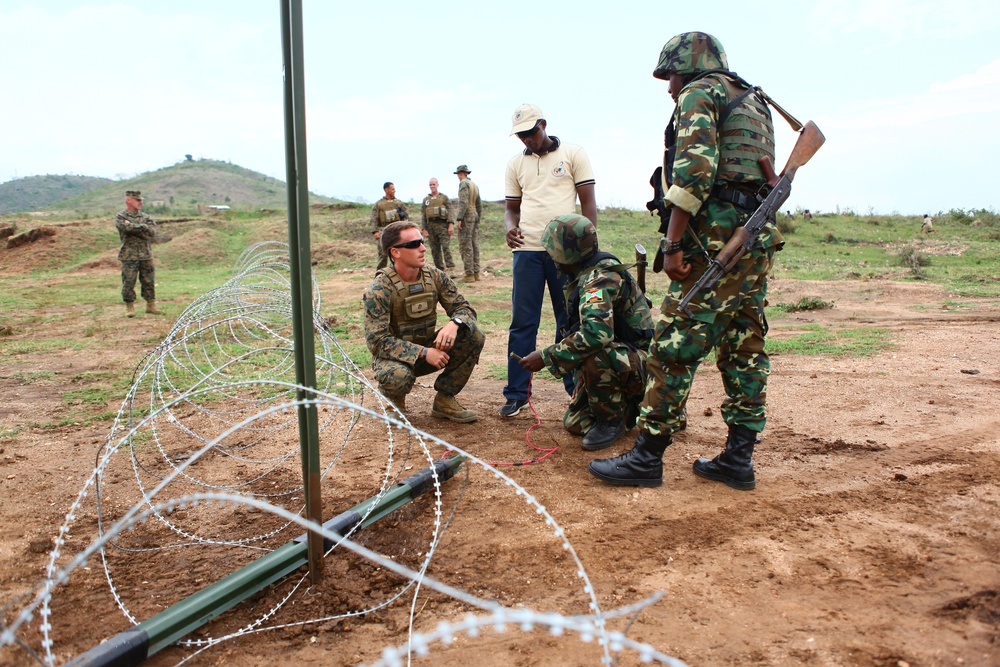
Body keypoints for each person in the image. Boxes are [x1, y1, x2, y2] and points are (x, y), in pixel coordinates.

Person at [590, 32, 783, 490]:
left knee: (674, 346)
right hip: (753, 238)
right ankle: (738, 459)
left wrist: (673, 244)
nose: (670, 87)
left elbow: (694, 173)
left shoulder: (702, 92)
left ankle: (647, 457)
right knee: (744, 344)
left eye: (672, 74)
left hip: (715, 240)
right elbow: (764, 173)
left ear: (690, 67)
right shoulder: (756, 101)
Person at [518, 214, 654, 450]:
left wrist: (546, 356)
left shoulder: (599, 279)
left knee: (594, 352)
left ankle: (613, 421)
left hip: (644, 365)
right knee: (576, 423)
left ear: (567, 252)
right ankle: (637, 407)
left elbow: (596, 335)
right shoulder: (586, 273)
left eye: (554, 250)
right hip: (626, 360)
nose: (551, 256)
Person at [501, 103, 597, 417]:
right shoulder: (515, 164)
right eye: (521, 136)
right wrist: (510, 228)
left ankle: (575, 390)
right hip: (527, 251)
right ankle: (516, 394)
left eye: (530, 132)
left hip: (565, 254)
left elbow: (588, 203)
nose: (526, 139)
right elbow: (511, 208)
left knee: (568, 322)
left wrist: (588, 247)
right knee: (522, 324)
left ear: (543, 124)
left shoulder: (573, 154)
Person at [362, 221, 486, 422]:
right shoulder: (379, 289)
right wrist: (423, 352)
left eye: (422, 241)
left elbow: (465, 309)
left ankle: (445, 400)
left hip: (430, 348)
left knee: (473, 335)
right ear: (395, 252)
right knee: (397, 376)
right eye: (413, 244)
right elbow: (377, 341)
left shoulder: (435, 276)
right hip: (396, 359)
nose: (422, 248)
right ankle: (395, 402)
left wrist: (454, 323)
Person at [116, 190, 162, 317]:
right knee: (129, 281)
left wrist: (135, 226)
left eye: (141, 200)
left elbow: (152, 232)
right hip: (128, 255)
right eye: (137, 200)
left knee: (148, 280)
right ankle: (129, 307)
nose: (140, 202)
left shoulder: (146, 217)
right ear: (129, 200)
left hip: (145, 254)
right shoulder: (121, 217)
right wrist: (142, 227)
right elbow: (125, 228)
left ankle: (151, 305)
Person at [454, 165, 483, 283]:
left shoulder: (463, 184)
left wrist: (460, 217)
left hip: (467, 214)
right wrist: (478, 217)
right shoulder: (474, 185)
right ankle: (476, 272)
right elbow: (479, 204)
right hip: (474, 214)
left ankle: (469, 274)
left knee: (466, 244)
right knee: (474, 243)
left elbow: (463, 202)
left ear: (460, 173)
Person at [421, 178, 457, 276]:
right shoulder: (426, 200)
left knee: (446, 247)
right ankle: (439, 271)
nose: (432, 186)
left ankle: (451, 269)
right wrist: (424, 229)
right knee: (434, 249)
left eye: (433, 184)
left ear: (437, 184)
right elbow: (424, 215)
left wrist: (450, 224)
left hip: (443, 225)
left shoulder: (443, 198)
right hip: (431, 226)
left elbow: (450, 211)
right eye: (430, 185)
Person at [371, 182, 409, 270]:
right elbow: (374, 218)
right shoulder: (379, 204)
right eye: (392, 189)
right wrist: (375, 231)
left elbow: (406, 217)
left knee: (399, 254)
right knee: (383, 256)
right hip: (384, 232)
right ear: (386, 190)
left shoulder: (399, 203)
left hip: (397, 231)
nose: (394, 191)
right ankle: (380, 276)